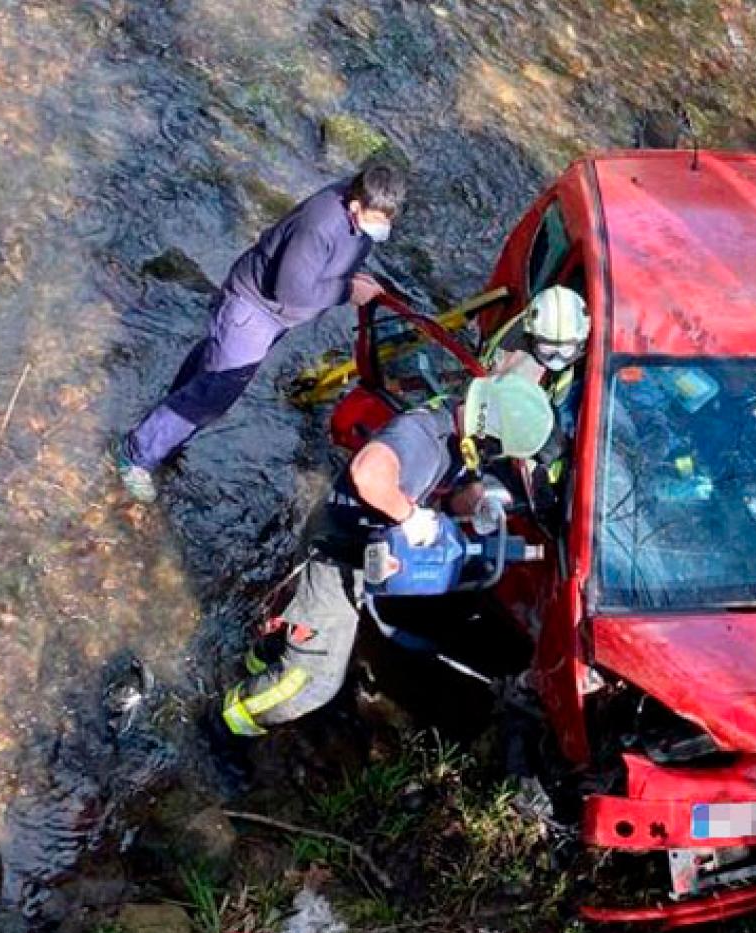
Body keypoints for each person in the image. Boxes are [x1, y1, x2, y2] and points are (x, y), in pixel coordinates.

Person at [220, 372, 555, 736]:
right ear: (488, 433)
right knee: (312, 682)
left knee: (299, 637)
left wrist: (474, 501)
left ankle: (261, 660)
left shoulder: (458, 436)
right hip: (336, 555)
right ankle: (226, 722)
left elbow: (449, 487)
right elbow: (368, 474)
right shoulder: (422, 437)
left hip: (360, 549)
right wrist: (410, 517)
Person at [113, 163, 406, 503]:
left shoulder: (358, 215)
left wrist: (354, 280)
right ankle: (135, 456)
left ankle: (166, 434)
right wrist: (346, 291)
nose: (383, 226)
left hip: (270, 317)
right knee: (216, 391)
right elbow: (290, 292)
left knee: (210, 370)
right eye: (378, 217)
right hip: (253, 310)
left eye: (389, 218)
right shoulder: (320, 226)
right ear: (356, 205)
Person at [480, 285, 591, 499]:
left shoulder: (545, 332)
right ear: (532, 338)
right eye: (548, 350)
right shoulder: (516, 369)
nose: (556, 359)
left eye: (566, 350)